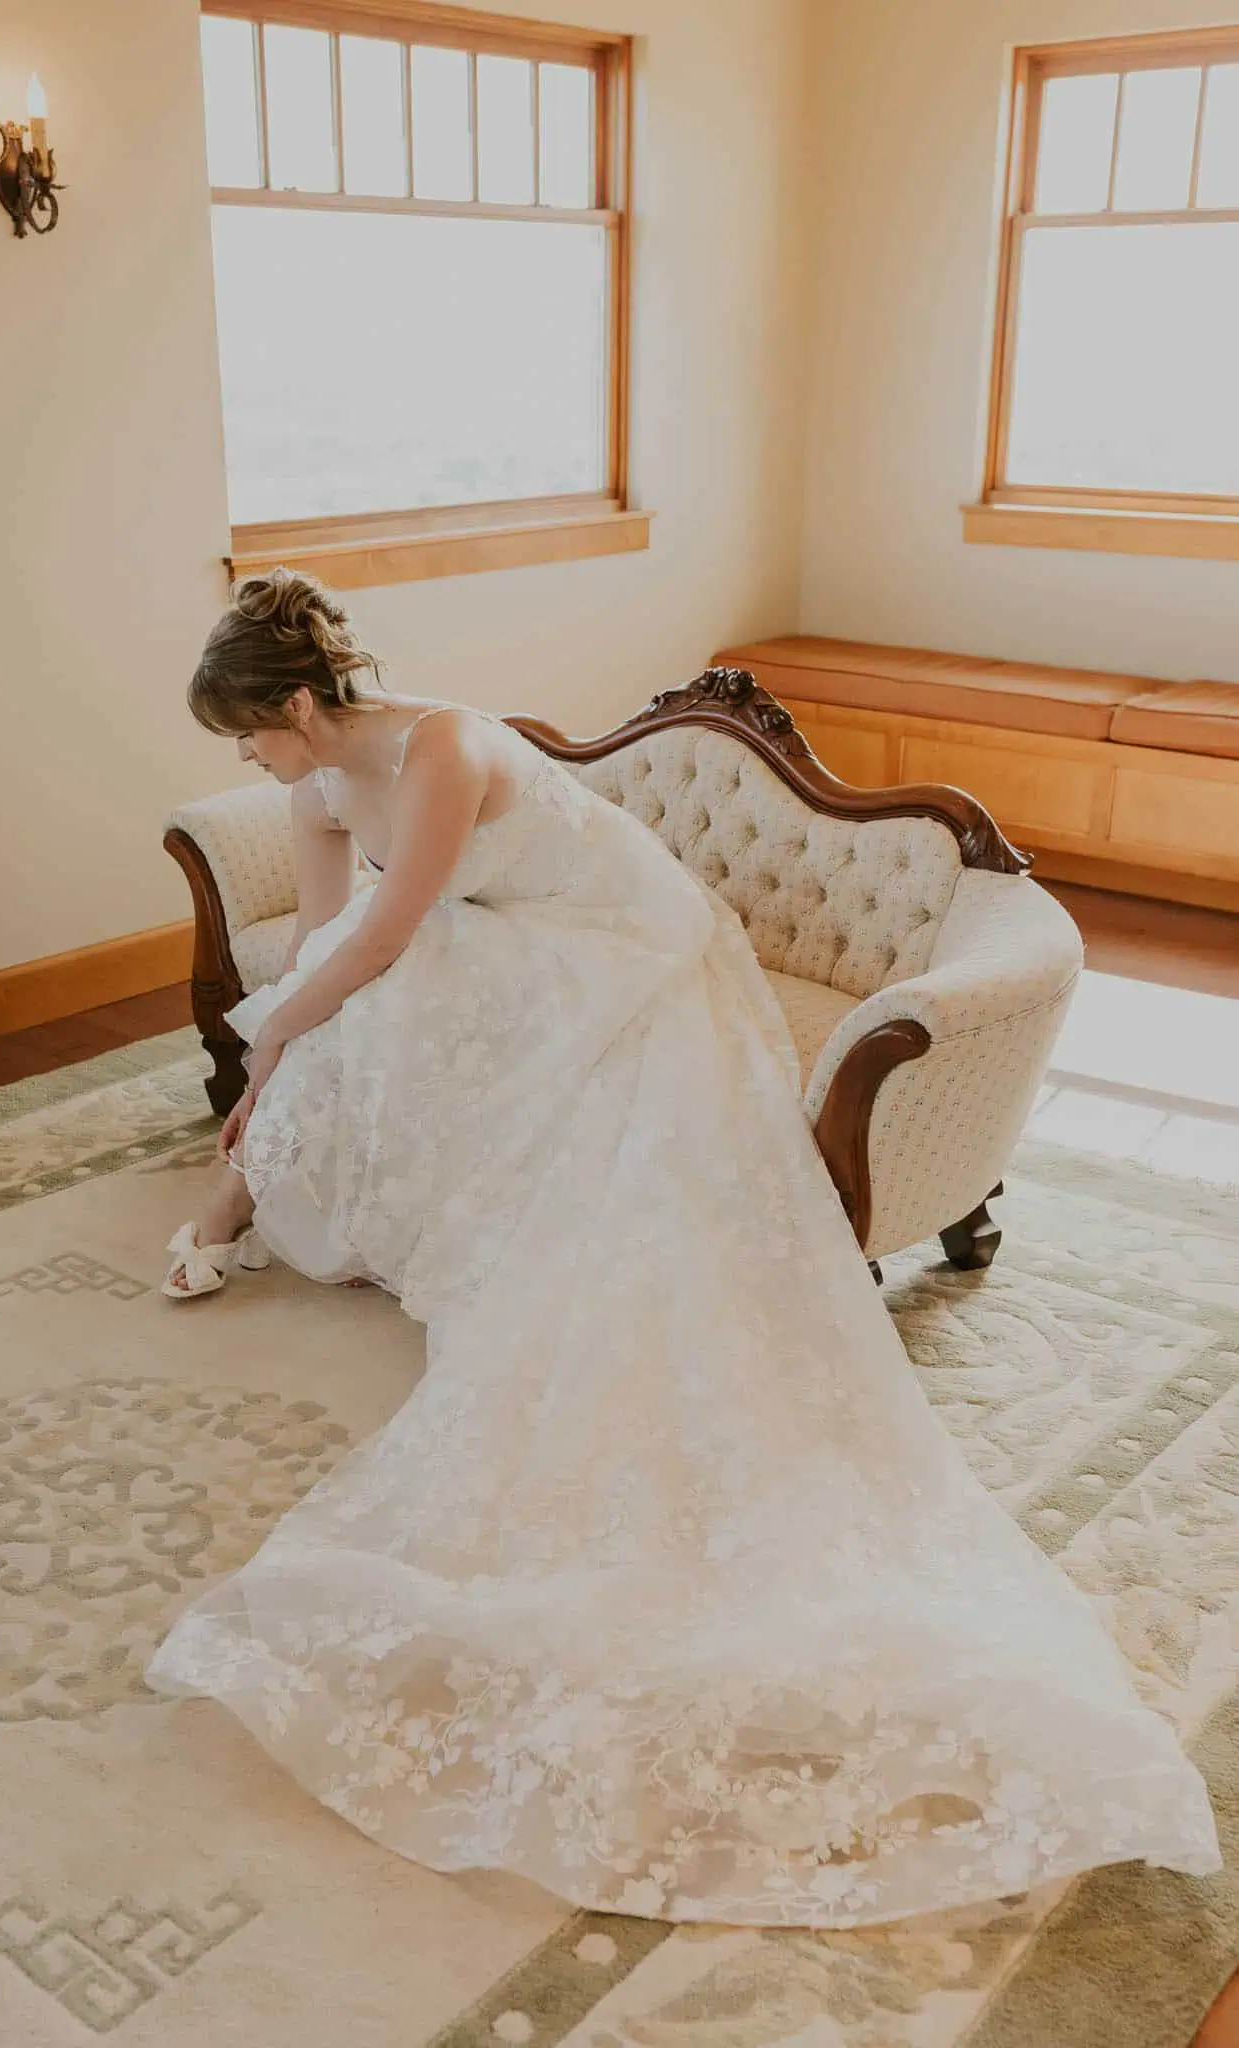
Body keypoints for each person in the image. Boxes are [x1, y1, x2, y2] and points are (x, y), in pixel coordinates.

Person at [146, 568, 1220, 1928]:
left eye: (251, 733)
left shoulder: (446, 748)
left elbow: (398, 930)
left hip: (621, 946)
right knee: (356, 1005)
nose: (247, 760)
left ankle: (267, 1199)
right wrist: (275, 1038)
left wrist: (285, 1030)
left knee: (393, 996)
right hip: (498, 937)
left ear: (295, 703)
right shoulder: (315, 785)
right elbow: (324, 934)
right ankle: (268, 1192)